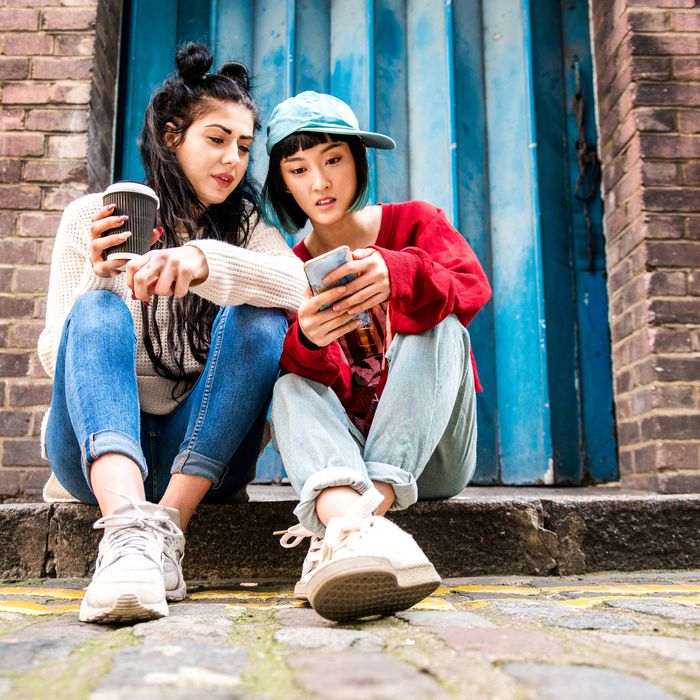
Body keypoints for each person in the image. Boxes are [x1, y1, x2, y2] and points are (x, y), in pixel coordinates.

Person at [37, 43, 307, 624]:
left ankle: (164, 535)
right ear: (170, 136)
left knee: (260, 312)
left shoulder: (246, 228)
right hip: (94, 457)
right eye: (216, 139)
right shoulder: (92, 217)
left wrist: (209, 263)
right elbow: (51, 355)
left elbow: (297, 288)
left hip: (204, 460)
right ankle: (126, 538)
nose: (232, 159)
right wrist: (98, 276)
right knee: (95, 313)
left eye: (243, 145)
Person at [262, 91, 492, 621]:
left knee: (442, 326)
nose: (318, 183)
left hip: (431, 457)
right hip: (347, 459)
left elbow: (472, 289)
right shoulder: (288, 265)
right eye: (298, 169)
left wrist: (401, 273)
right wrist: (309, 342)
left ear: (358, 161)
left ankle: (363, 515)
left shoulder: (414, 222)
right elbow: (297, 379)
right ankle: (349, 524)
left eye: (333, 161)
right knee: (287, 386)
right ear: (284, 182)